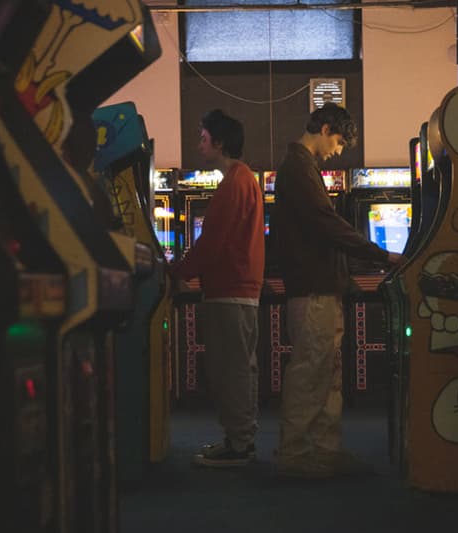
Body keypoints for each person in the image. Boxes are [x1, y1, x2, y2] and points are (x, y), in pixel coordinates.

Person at [271, 103, 402, 478]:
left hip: (323, 288)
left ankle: (324, 452)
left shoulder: (304, 167)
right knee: (311, 373)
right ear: (325, 127)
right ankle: (296, 456)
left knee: (327, 374)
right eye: (340, 141)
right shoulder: (296, 168)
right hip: (312, 289)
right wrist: (381, 255)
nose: (340, 151)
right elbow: (327, 225)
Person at [171, 109, 265, 468]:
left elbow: (212, 242)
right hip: (238, 288)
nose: (199, 144)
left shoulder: (234, 183)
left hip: (230, 290)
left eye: (203, 137)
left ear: (220, 142)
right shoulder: (244, 179)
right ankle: (239, 438)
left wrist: (178, 273)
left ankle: (239, 444)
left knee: (232, 369)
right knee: (239, 367)